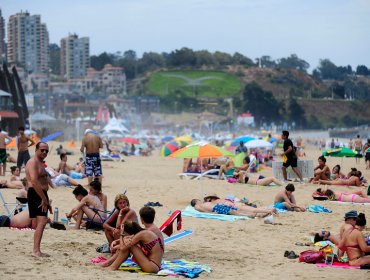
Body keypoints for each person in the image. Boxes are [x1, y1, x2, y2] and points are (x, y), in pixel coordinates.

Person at [25, 141, 52, 257]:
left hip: (41, 194)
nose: (45, 152)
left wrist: (46, 198)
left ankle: (37, 250)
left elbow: (43, 181)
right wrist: (43, 198)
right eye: (42, 150)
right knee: (41, 221)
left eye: (46, 150)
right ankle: (36, 251)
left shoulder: (41, 162)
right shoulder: (33, 162)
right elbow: (34, 181)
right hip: (35, 193)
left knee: (42, 221)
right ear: (36, 150)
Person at [191, 197, 275, 218]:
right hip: (215, 209)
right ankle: (246, 215)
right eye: (198, 200)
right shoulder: (197, 205)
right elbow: (201, 210)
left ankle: (255, 215)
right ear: (196, 201)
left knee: (233, 210)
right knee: (231, 211)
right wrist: (211, 213)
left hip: (218, 206)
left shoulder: (203, 203)